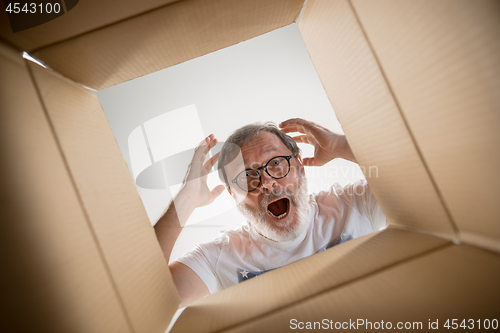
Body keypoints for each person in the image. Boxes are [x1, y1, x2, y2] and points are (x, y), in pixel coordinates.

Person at [154, 118, 386, 307]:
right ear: (232, 195)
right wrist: (185, 201)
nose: (267, 182)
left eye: (275, 163)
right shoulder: (218, 259)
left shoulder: (354, 204)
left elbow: (420, 177)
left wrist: (342, 146)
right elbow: (149, 300)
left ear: (299, 167)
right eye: (246, 176)